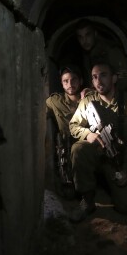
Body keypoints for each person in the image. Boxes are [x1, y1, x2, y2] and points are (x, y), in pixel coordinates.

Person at [68, 60, 127, 222]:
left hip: (117, 159)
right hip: (96, 154)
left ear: (114, 78)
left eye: (103, 75)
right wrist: (88, 134)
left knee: (126, 207)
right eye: (94, 77)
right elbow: (73, 125)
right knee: (78, 149)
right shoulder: (88, 101)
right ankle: (87, 200)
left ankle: (110, 186)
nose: (99, 81)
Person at [46, 65, 86, 198]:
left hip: (85, 142)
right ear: (62, 84)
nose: (70, 84)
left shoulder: (88, 99)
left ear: (80, 81)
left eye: (74, 80)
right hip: (66, 143)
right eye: (66, 81)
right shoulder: (55, 101)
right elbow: (39, 108)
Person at [75, 19, 127, 92]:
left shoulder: (111, 50)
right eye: (80, 37)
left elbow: (124, 79)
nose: (84, 40)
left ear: (95, 34)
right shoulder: (86, 55)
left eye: (88, 35)